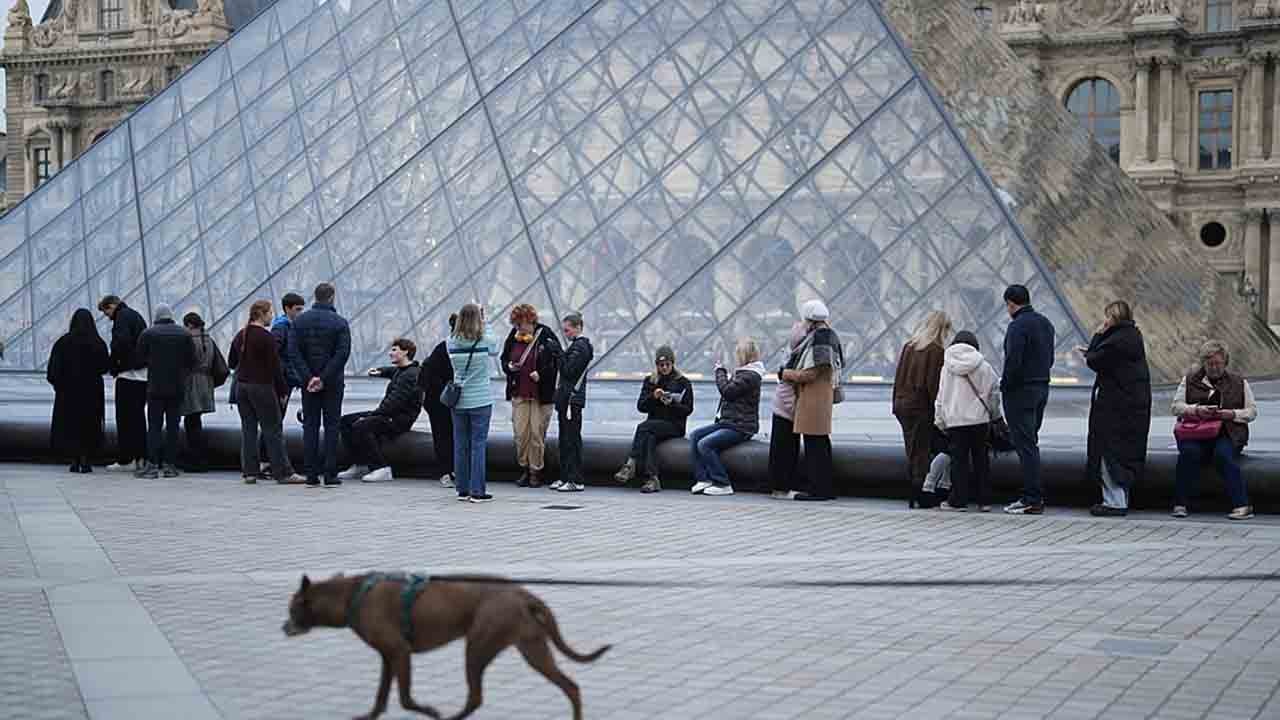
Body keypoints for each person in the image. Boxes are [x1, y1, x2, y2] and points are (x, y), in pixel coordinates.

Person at [1076, 301, 1151, 517]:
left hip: (1115, 410)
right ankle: (1119, 499)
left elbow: (1094, 360)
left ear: (1114, 318)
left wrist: (1098, 335)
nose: (1104, 320)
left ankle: (1115, 502)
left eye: (1107, 316)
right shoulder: (1132, 337)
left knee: (1109, 454)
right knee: (1121, 455)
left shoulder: (1117, 340)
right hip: (1130, 409)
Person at [1170, 340, 1259, 520]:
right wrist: (1195, 410)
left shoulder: (1238, 382)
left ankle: (1242, 505)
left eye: (1218, 363)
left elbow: (1252, 412)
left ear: (1225, 363)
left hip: (1228, 432)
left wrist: (1231, 414)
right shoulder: (1190, 380)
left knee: (1223, 454)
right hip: (1196, 432)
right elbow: (1176, 407)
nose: (1214, 368)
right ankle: (1181, 503)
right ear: (1203, 363)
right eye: (1210, 364)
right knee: (1189, 452)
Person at [229, 300, 306, 485]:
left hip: (242, 388)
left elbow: (232, 362)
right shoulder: (266, 337)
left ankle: (250, 472)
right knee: (273, 429)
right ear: (262, 314)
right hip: (261, 387)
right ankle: (283, 472)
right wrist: (282, 390)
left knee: (248, 430)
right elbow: (275, 367)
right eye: (270, 313)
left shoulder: (241, 334)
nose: (272, 316)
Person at [999, 284, 1055, 515]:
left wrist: (1005, 386)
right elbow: (1050, 358)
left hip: (1020, 392)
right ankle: (1033, 495)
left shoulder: (1017, 326)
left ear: (1011, 303)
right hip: (1041, 387)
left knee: (1026, 446)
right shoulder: (1045, 323)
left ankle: (1032, 498)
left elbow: (1013, 361)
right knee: (1031, 442)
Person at [780, 300, 844, 501]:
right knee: (820, 443)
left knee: (815, 445)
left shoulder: (821, 338)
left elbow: (812, 373)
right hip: (818, 398)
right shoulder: (828, 334)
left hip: (813, 398)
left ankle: (818, 490)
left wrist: (786, 374)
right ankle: (823, 487)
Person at [336, 338, 423, 483]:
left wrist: (371, 415)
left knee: (361, 425)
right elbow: (392, 371)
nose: (390, 353)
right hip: (389, 414)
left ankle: (381, 468)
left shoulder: (410, 375)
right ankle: (361, 464)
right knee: (345, 421)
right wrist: (380, 371)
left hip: (399, 419)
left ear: (406, 352)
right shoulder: (403, 370)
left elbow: (394, 402)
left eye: (394, 350)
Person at [934, 331, 1001, 512]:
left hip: (956, 421)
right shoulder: (984, 366)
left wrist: (940, 421)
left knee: (959, 462)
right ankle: (984, 501)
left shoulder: (946, 368)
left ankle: (958, 501)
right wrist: (996, 416)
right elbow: (994, 394)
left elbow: (941, 397)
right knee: (981, 461)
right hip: (980, 421)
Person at [293, 283, 352, 487]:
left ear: (315, 297)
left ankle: (310, 474)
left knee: (310, 426)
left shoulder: (300, 321)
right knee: (331, 426)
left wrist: (309, 377)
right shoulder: (340, 323)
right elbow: (342, 354)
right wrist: (324, 378)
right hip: (333, 383)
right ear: (332, 297)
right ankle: (330, 473)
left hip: (308, 384)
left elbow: (294, 353)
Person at [690, 338, 765, 497]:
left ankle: (722, 482)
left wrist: (720, 371)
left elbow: (727, 392)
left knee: (705, 444)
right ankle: (703, 479)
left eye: (738, 353)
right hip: (729, 422)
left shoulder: (751, 375)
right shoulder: (744, 373)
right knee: (695, 435)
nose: (736, 357)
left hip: (741, 426)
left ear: (745, 355)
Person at [614, 346, 694, 493]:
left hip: (674, 426)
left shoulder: (683, 383)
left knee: (643, 427)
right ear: (656, 365)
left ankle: (631, 464)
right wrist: (653, 397)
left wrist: (672, 403)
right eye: (660, 365)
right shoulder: (650, 381)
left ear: (673, 364)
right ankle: (652, 479)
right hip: (654, 425)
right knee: (649, 437)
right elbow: (641, 406)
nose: (664, 368)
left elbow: (688, 410)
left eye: (667, 364)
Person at [893, 311, 951, 508]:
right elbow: (934, 386)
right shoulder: (935, 350)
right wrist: (941, 412)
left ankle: (913, 493)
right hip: (920, 406)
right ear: (941, 329)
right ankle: (921, 494)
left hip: (902, 405)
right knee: (922, 450)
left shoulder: (909, 346)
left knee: (912, 448)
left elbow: (898, 378)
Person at [500, 304, 562, 489]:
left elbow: (558, 360)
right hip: (519, 391)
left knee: (536, 434)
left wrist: (541, 375)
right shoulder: (513, 336)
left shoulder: (546, 334)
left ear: (530, 320)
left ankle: (535, 471)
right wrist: (509, 367)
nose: (518, 328)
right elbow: (504, 359)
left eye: (521, 324)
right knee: (520, 434)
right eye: (516, 324)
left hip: (539, 395)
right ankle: (524, 466)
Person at [135, 304, 195, 479]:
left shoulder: (148, 333)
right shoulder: (184, 334)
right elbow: (192, 360)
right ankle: (170, 466)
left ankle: (152, 465)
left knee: (154, 427)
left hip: (155, 387)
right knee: (173, 428)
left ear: (156, 317)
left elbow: (139, 358)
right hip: (177, 388)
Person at [447, 303, 500, 503]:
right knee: (478, 445)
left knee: (460, 445)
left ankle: (462, 489)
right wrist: (485, 323)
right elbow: (495, 347)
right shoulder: (485, 340)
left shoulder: (450, 341)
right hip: (481, 399)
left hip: (459, 400)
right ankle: (477, 490)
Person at [47, 309, 110, 473]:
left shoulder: (63, 342)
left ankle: (74, 460)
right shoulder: (98, 342)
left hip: (69, 393)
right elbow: (104, 367)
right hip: (92, 392)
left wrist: (59, 386)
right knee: (90, 425)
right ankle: (86, 459)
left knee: (71, 425)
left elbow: (53, 371)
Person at [97, 295, 148, 473]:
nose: (108, 316)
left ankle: (126, 459)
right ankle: (141, 457)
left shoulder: (122, 317)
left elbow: (121, 343)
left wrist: (114, 365)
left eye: (106, 312)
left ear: (112, 305)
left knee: (125, 419)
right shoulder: (136, 316)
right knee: (139, 419)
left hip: (128, 376)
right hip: (143, 377)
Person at [261, 292, 309, 468]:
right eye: (297, 309)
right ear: (287, 308)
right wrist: (284, 379)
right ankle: (266, 461)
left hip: (283, 380)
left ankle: (266, 461)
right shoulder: (282, 327)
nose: (300, 313)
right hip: (280, 382)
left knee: (274, 422)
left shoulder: (285, 326)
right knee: (274, 422)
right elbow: (275, 355)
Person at [767, 321, 810, 500]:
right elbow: (786, 390)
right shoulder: (795, 360)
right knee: (786, 452)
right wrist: (797, 412)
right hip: (786, 413)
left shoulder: (789, 356)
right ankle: (781, 489)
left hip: (781, 411)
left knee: (780, 451)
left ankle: (780, 488)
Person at [552, 312, 593, 493]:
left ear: (577, 327)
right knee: (565, 438)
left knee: (571, 439)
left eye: (567, 330)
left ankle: (574, 478)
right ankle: (565, 476)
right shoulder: (578, 347)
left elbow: (568, 371)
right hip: (569, 399)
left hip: (572, 400)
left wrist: (559, 354)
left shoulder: (581, 347)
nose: (565, 333)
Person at [177, 313, 223, 473]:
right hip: (206, 383)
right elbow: (219, 365)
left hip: (192, 383)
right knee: (196, 421)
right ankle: (201, 459)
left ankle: (196, 460)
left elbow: (182, 363)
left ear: (189, 325)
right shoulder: (209, 339)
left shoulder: (188, 339)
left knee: (191, 423)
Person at [419, 314, 458, 488]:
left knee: (445, 435)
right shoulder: (448, 347)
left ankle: (449, 471)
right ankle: (446, 471)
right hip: (440, 400)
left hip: (442, 398)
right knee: (444, 435)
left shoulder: (445, 346)